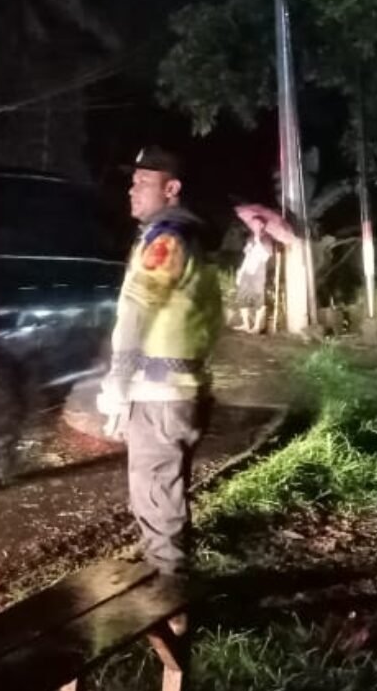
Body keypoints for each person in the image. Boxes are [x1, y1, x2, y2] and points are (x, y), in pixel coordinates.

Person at [97, 146, 223, 577]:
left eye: (144, 182)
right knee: (167, 490)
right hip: (184, 390)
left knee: (154, 494)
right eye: (132, 181)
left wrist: (118, 382)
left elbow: (137, 308)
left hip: (160, 395)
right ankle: (169, 566)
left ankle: (172, 594)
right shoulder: (193, 236)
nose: (132, 190)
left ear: (172, 189)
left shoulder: (167, 238)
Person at [233, 208, 273, 334]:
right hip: (247, 270)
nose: (253, 226)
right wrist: (241, 271)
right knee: (242, 297)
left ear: (262, 225)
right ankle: (245, 324)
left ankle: (256, 327)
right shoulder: (250, 238)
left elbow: (266, 256)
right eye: (252, 224)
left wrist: (258, 242)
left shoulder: (266, 239)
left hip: (258, 272)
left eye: (256, 224)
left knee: (258, 298)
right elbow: (247, 255)